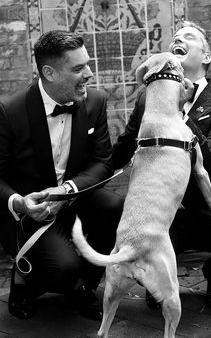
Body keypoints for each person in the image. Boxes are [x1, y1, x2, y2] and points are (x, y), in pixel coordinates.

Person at [112, 21, 211, 312]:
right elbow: (126, 144)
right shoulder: (148, 96)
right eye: (175, 38)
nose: (177, 40)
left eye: (188, 37)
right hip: (165, 214)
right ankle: (156, 279)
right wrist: (83, 180)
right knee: (133, 253)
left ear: (206, 57)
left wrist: (177, 111)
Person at [0, 30, 123, 320]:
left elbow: (102, 163)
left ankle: (81, 287)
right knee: (62, 268)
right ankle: (24, 281)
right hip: (32, 212)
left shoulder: (95, 101)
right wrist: (20, 202)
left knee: (116, 207)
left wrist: (68, 190)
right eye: (79, 68)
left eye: (87, 65)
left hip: (73, 198)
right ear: (49, 73)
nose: (89, 74)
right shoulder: (9, 111)